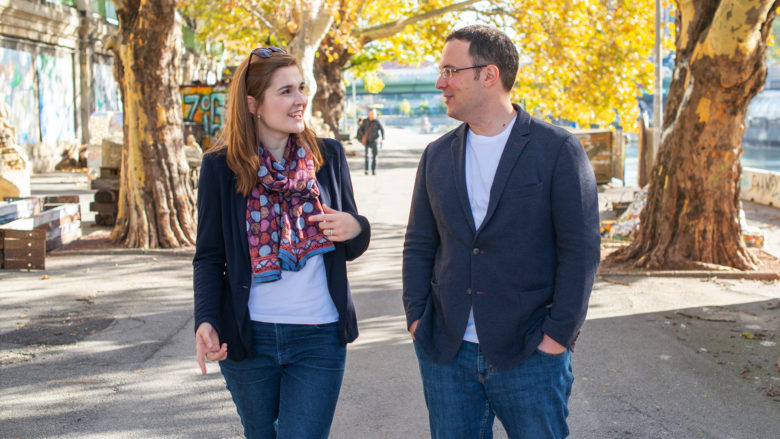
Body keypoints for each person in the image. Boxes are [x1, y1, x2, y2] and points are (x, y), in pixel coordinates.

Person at [402, 25, 600, 438]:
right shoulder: (436, 155)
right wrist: (417, 318)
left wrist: (557, 338)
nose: (441, 82)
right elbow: (420, 243)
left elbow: (580, 252)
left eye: (450, 71)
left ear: (488, 75)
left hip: (530, 352)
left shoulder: (558, 150)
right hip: (446, 352)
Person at [193, 46, 370, 439]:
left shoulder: (328, 155)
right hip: (248, 336)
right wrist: (206, 320)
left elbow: (352, 240)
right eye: (286, 91)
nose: (300, 100)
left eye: (301, 88)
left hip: (319, 334)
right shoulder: (220, 168)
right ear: (254, 103)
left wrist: (355, 227)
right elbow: (208, 256)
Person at [356, 108, 385, 175]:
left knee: (375, 156)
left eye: (374, 114)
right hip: (367, 141)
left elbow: (382, 130)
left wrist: (383, 139)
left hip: (375, 141)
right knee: (367, 156)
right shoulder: (365, 121)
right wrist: (361, 138)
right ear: (369, 114)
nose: (372, 115)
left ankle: (373, 170)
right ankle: (367, 170)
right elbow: (360, 129)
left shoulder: (377, 122)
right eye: (371, 113)